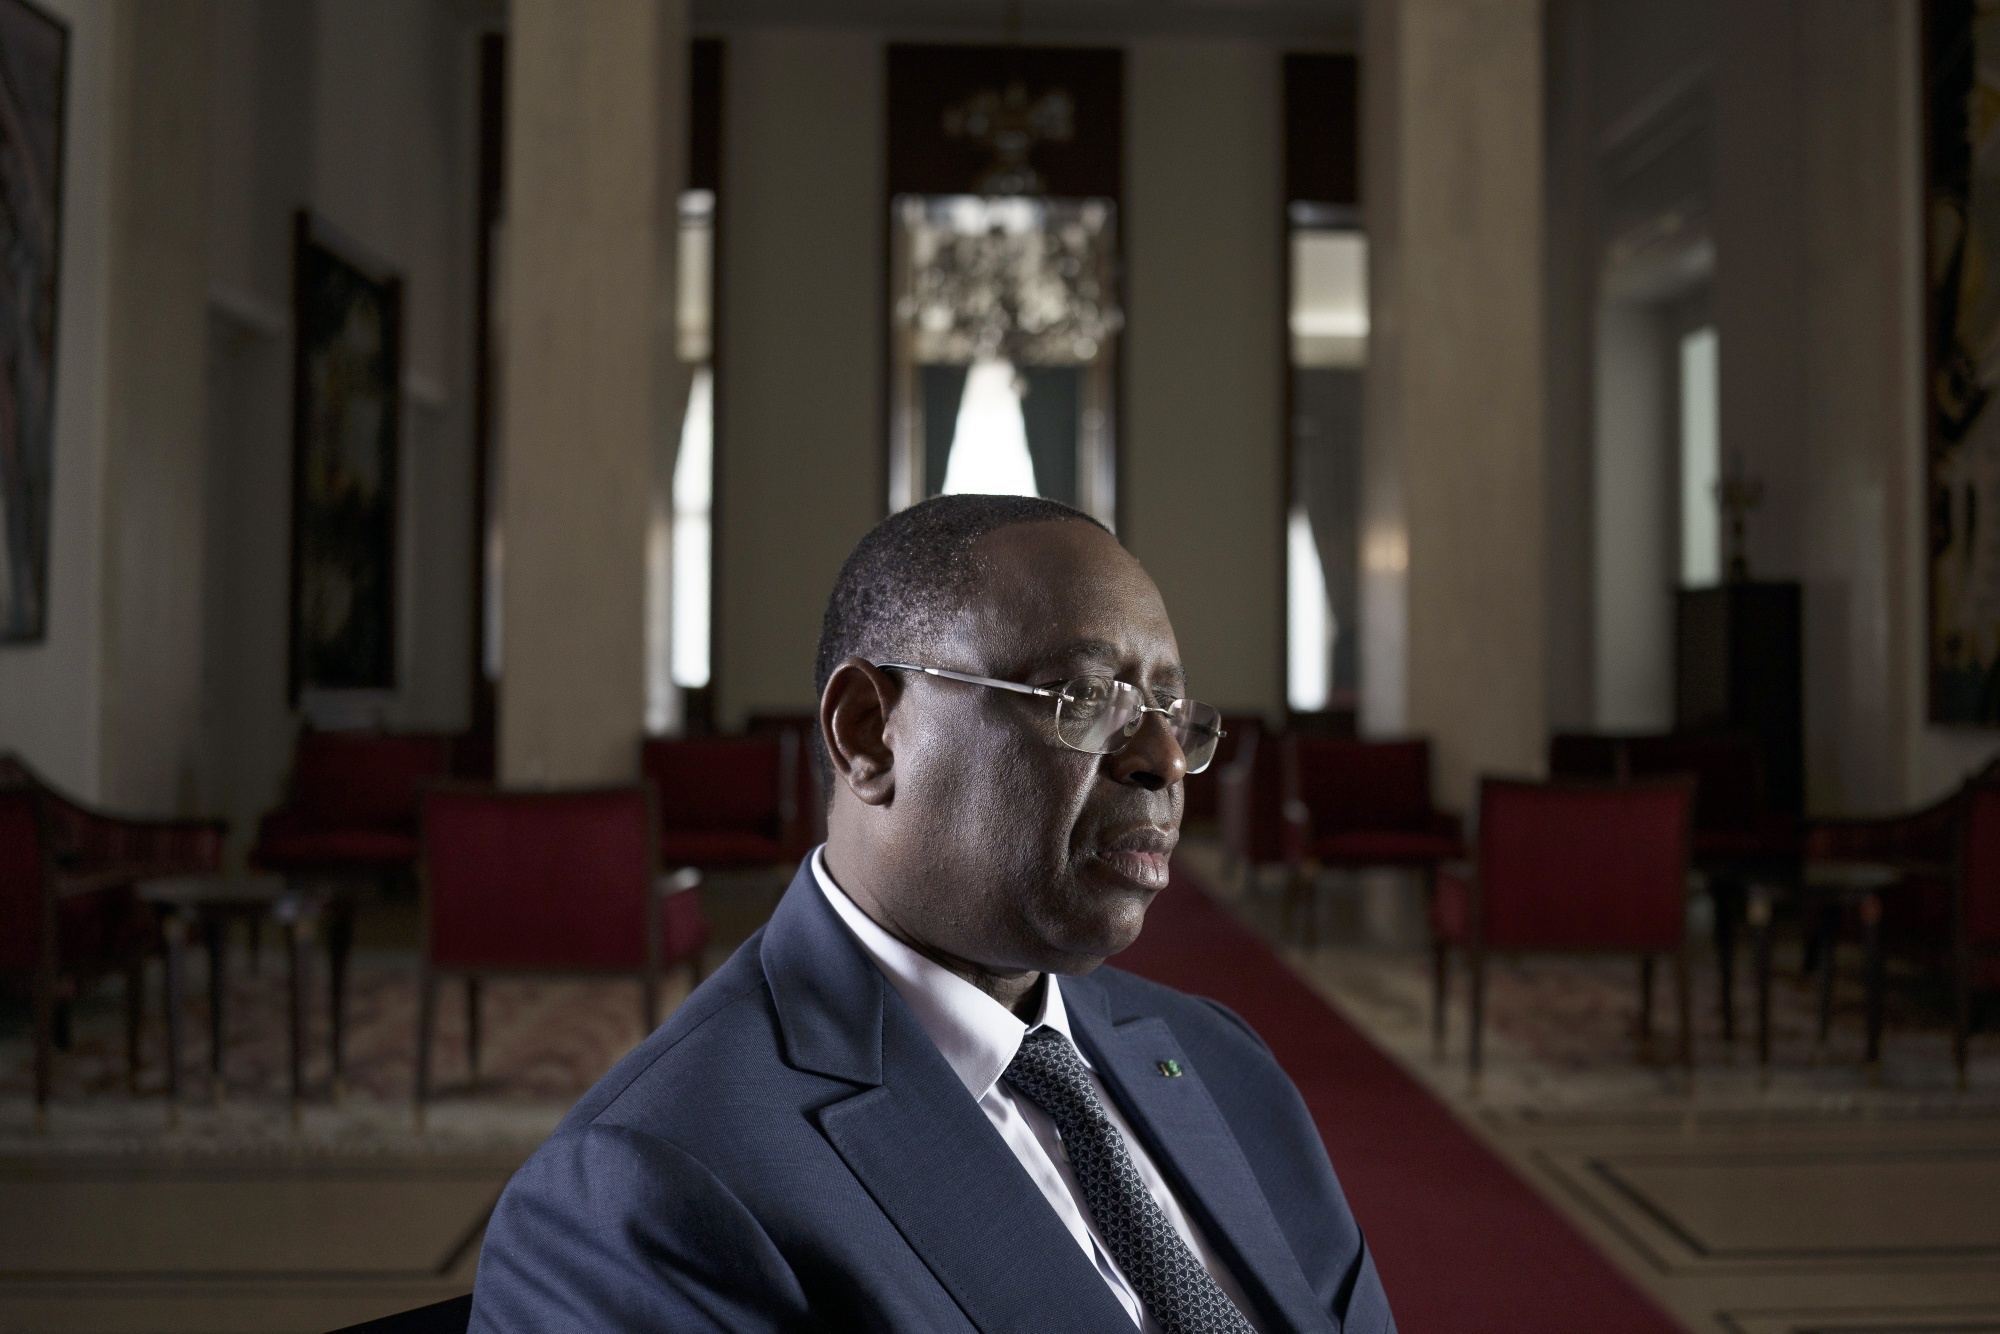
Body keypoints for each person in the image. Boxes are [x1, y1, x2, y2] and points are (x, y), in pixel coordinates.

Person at [470, 495, 1394, 1334]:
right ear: (868, 733)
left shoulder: (1223, 1063)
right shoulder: (642, 1194)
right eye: (1082, 699)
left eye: (1170, 709)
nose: (1161, 758)